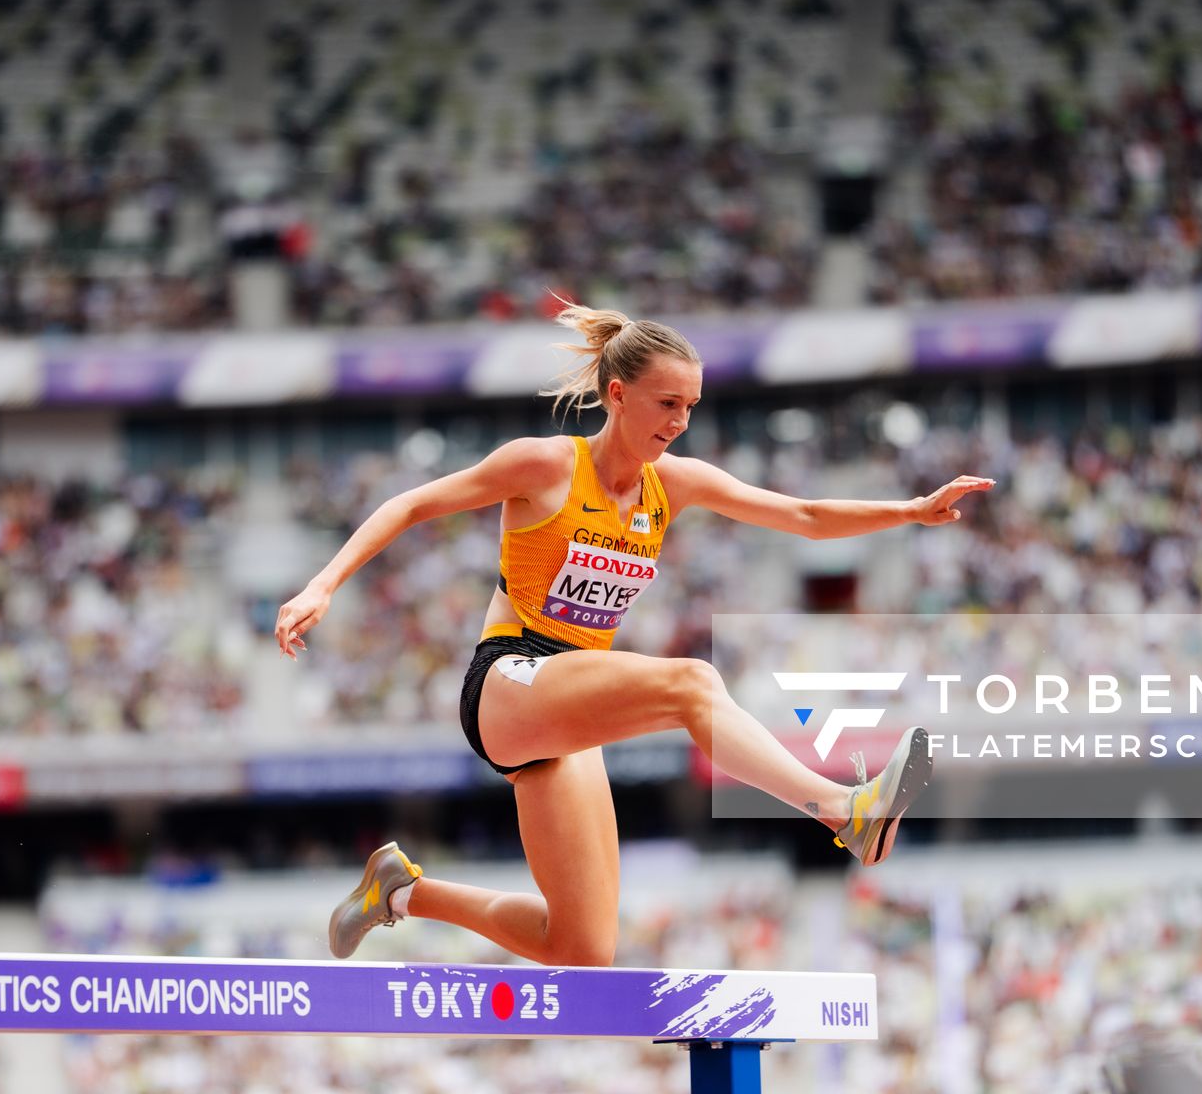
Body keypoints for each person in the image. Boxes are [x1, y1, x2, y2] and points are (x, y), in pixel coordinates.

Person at [274, 304, 994, 967]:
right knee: (691, 682)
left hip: (567, 708)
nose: (680, 421)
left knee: (584, 948)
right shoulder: (547, 464)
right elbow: (410, 505)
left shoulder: (670, 484)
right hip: (508, 681)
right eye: (667, 403)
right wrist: (322, 584)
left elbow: (803, 515)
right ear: (616, 395)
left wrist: (910, 511)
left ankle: (399, 892)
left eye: (691, 407)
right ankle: (842, 810)